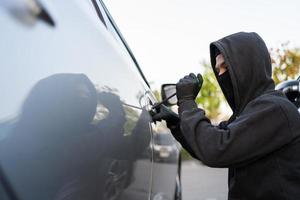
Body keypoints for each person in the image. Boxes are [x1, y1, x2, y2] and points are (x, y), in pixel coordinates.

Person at [155, 32, 300, 200]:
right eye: (218, 70)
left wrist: (187, 102)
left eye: (225, 67)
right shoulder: (248, 114)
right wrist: (176, 123)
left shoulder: (275, 109)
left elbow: (216, 149)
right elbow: (206, 144)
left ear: (247, 66)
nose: (221, 75)